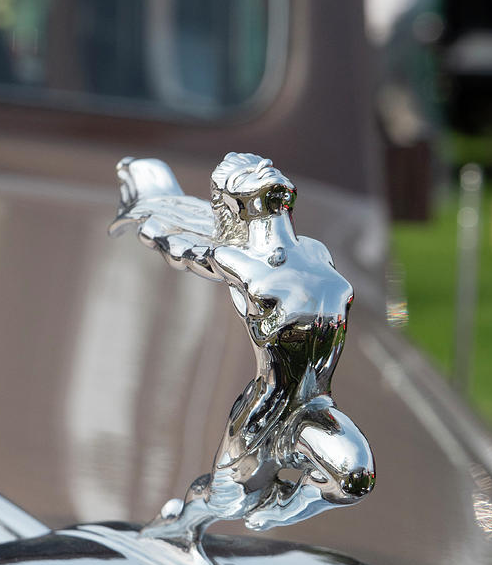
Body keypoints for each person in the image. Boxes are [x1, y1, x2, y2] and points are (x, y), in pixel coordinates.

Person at [111, 152, 374, 545]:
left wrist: (286, 510)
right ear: (235, 203)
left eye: (264, 166)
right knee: (226, 504)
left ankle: (277, 510)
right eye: (249, 174)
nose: (265, 168)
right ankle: (173, 530)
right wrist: (152, 218)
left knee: (355, 477)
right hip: (265, 414)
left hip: (315, 408)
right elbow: (182, 248)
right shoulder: (235, 259)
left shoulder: (317, 252)